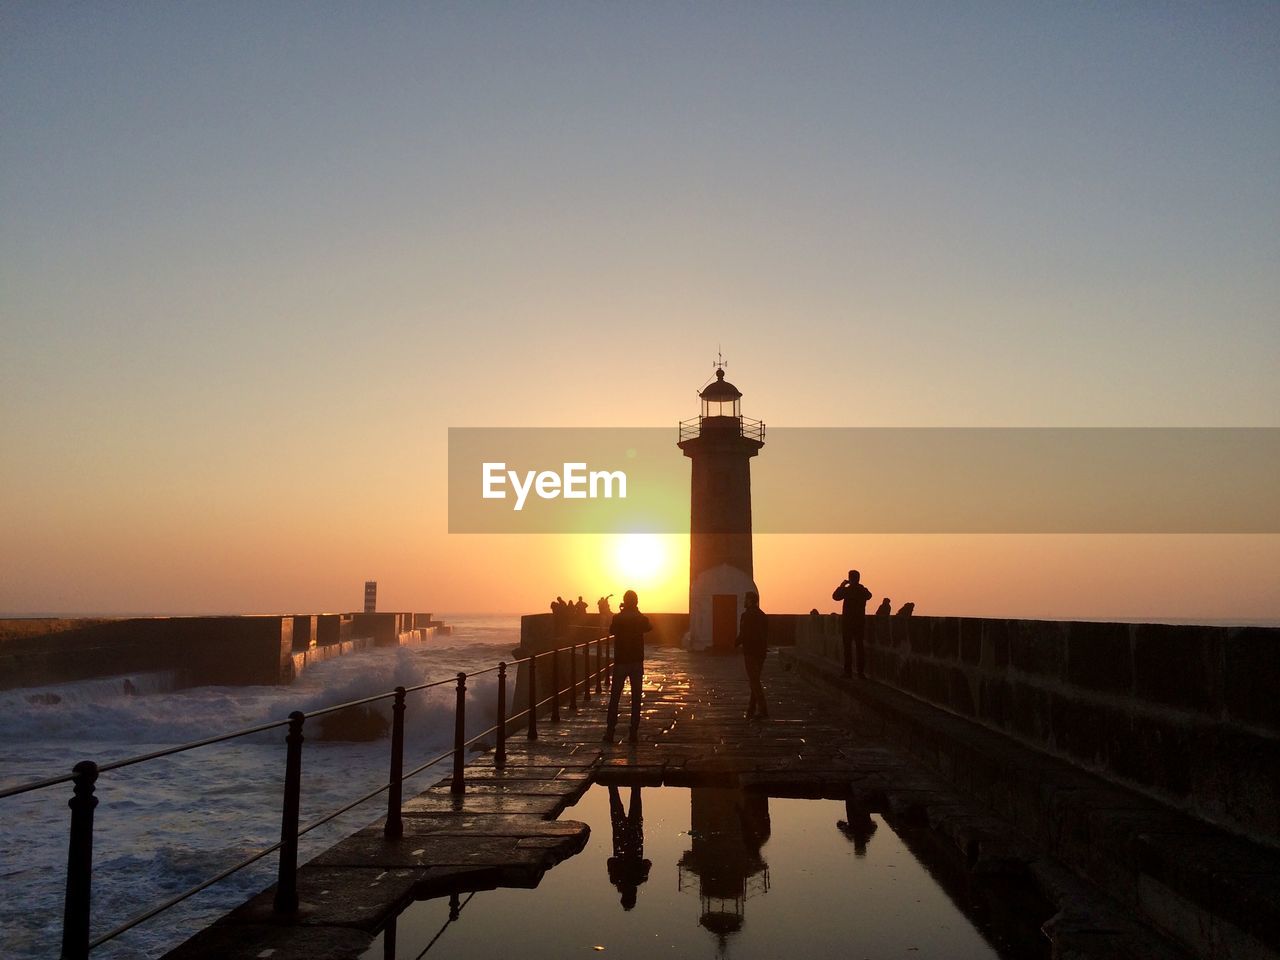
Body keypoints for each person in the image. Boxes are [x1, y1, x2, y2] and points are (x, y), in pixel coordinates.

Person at [604, 589, 651, 744]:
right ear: (636, 602)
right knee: (636, 698)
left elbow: (612, 630)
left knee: (615, 697)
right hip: (636, 661)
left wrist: (622, 611)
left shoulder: (618, 618)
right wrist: (635, 611)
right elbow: (648, 626)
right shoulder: (640, 618)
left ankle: (610, 731)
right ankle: (633, 732)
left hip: (621, 661)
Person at [606, 785, 651, 910]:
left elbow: (648, 862)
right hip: (620, 838)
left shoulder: (640, 878)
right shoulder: (615, 879)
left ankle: (635, 783)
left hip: (635, 838)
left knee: (635, 801)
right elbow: (610, 861)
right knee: (615, 801)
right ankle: (612, 783)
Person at [832, 569, 872, 679]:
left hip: (848, 623)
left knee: (847, 648)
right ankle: (860, 673)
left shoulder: (847, 590)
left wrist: (842, 585)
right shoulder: (862, 590)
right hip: (859, 622)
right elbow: (869, 595)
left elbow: (835, 597)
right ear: (858, 578)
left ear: (850, 578)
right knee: (860, 648)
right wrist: (860, 586)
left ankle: (848, 672)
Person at [735, 591, 769, 719]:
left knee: (754, 681)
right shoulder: (763, 616)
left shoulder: (746, 615)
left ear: (749, 600)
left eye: (745, 599)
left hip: (750, 652)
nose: (744, 601)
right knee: (755, 681)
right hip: (761, 652)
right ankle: (751, 709)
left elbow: (744, 634)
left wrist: (733, 644)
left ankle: (763, 709)